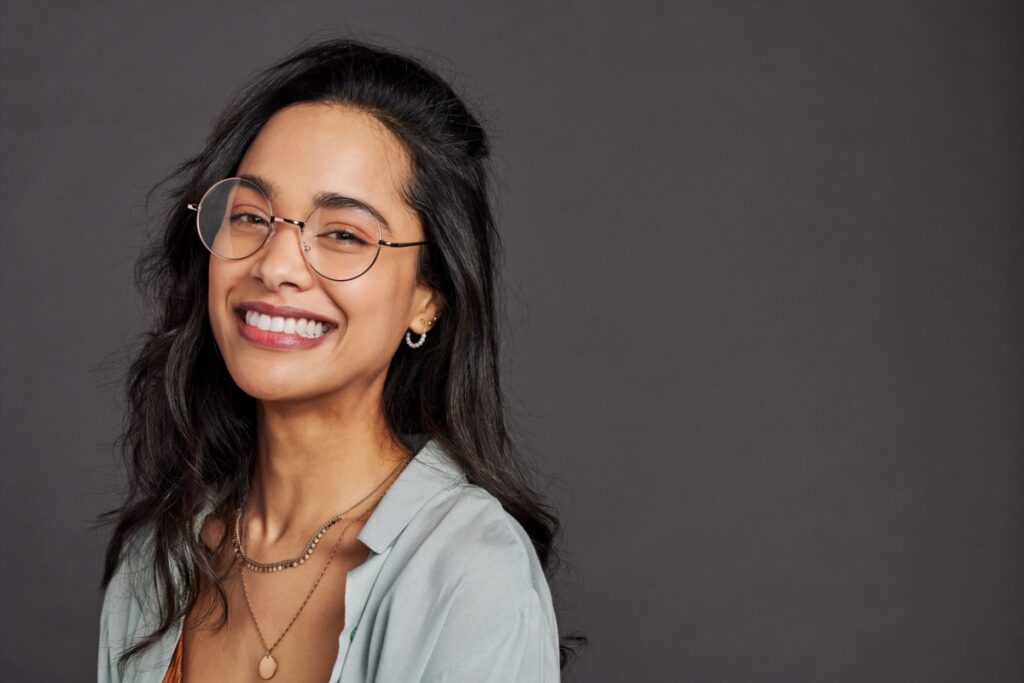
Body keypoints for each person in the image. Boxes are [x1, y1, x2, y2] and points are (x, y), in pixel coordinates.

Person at [97, 38, 583, 682]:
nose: (273, 265)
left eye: (343, 234)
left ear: (427, 298)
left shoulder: (468, 569)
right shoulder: (154, 563)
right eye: (250, 215)